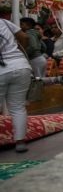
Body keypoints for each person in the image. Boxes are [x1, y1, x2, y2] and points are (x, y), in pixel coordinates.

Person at [0, 19, 32, 153]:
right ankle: (20, 142)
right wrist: (18, 51)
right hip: (20, 65)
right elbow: (25, 37)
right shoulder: (3, 22)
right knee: (18, 107)